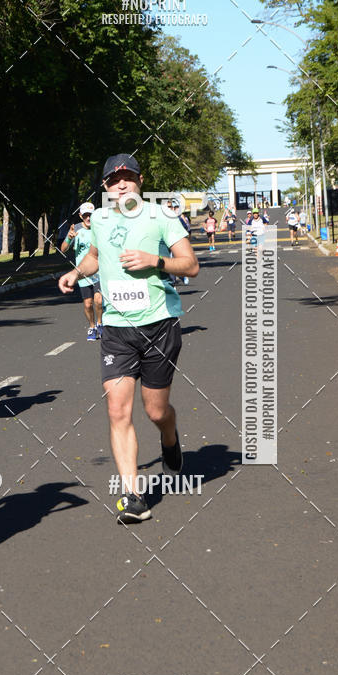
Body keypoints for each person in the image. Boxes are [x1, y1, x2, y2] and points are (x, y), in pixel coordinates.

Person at [58, 154, 199, 524]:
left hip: (159, 324)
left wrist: (156, 261)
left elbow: (191, 265)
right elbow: (94, 256)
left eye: (128, 178)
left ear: (139, 180)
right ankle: (134, 496)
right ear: (104, 187)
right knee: (117, 410)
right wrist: (76, 273)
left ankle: (169, 437)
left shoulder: (162, 217)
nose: (121, 185)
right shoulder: (101, 219)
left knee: (155, 411)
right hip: (117, 329)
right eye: (113, 180)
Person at [61, 201, 104, 340]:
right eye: (85, 215)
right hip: (82, 273)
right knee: (88, 303)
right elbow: (63, 249)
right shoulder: (76, 229)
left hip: (98, 271)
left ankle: (100, 323)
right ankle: (92, 326)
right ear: (80, 216)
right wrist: (69, 237)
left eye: (90, 215)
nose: (88, 218)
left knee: (98, 300)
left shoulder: (100, 228)